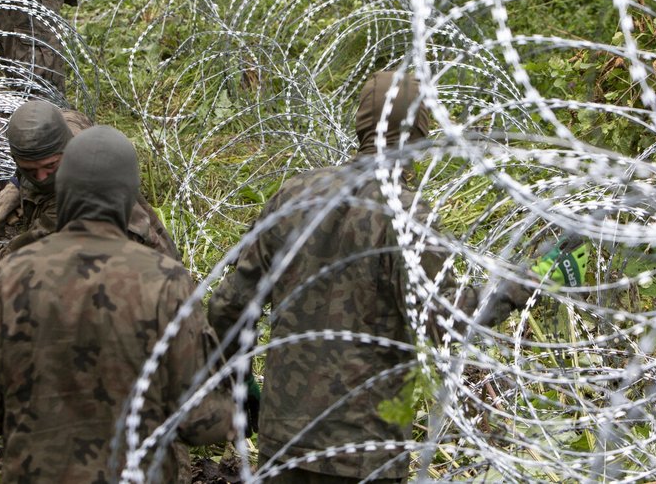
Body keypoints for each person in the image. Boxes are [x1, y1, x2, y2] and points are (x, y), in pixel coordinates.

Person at [208, 71, 530, 484]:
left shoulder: (293, 196)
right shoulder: (407, 216)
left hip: (282, 441)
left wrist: (239, 387)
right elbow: (447, 322)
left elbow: (229, 306)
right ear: (420, 131)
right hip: (362, 453)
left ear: (360, 124)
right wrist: (515, 286)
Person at [0, 125, 233, 482]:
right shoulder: (166, 282)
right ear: (130, 197)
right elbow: (204, 423)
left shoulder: (13, 274)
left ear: (62, 191)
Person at [0, 98, 179, 287]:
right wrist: (18, 182)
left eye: (50, 166)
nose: (42, 177)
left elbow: (20, 272)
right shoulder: (68, 126)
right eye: (29, 168)